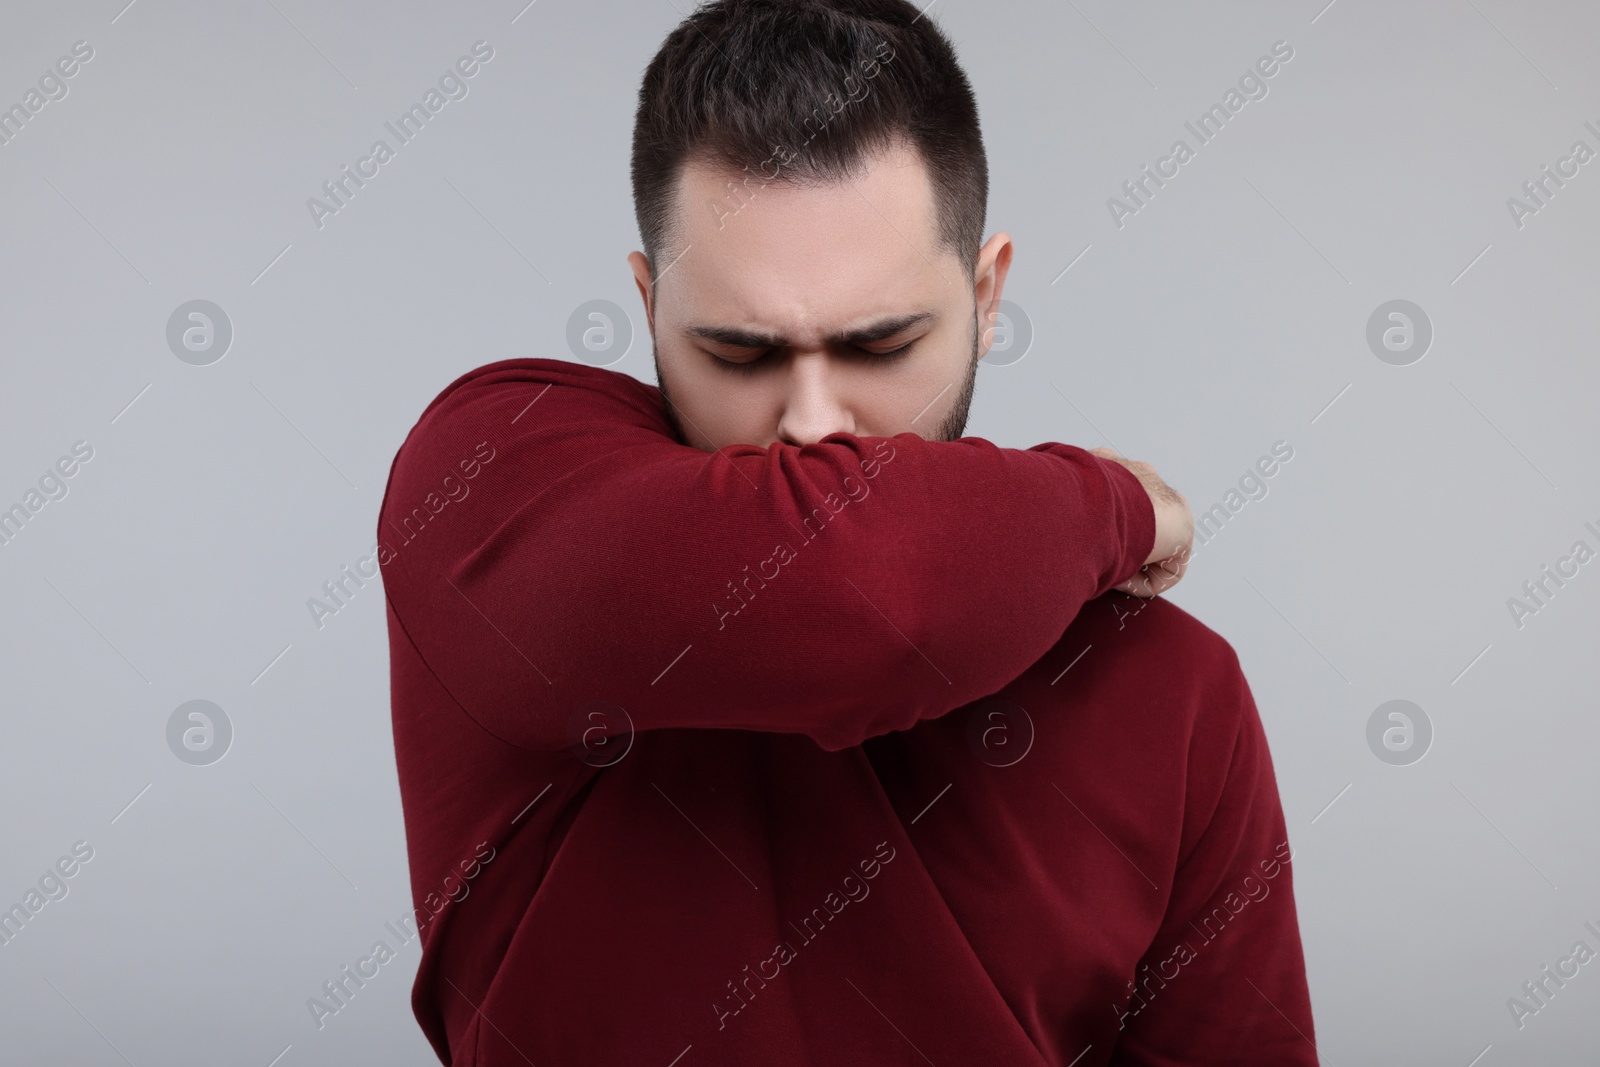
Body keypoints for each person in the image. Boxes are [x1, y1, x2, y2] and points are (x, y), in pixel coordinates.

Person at [376, 1, 1317, 1063]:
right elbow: (867, 583)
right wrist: (1116, 499)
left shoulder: (1173, 687)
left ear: (986, 293)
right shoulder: (486, 484)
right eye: (739, 353)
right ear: (647, 306)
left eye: (879, 345)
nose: (812, 421)